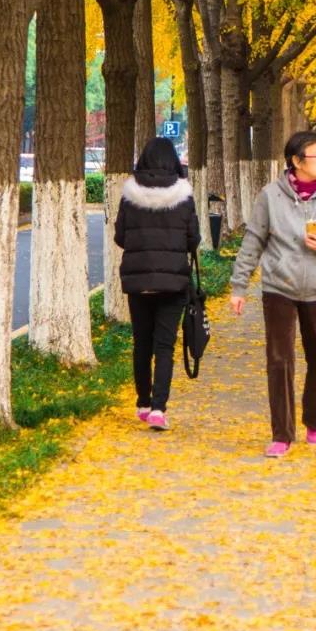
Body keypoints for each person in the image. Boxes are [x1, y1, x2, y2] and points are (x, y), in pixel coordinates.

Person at [229, 131, 316, 457]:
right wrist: (239, 286)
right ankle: (282, 433)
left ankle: (313, 418)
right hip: (279, 288)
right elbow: (253, 240)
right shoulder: (271, 196)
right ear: (297, 161)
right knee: (279, 360)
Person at [114, 137, 201, 430]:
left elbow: (120, 237)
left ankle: (142, 401)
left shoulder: (130, 194)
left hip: (138, 280)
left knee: (142, 342)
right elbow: (193, 239)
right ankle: (159, 409)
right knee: (165, 345)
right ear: (173, 160)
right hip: (173, 281)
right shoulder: (183, 194)